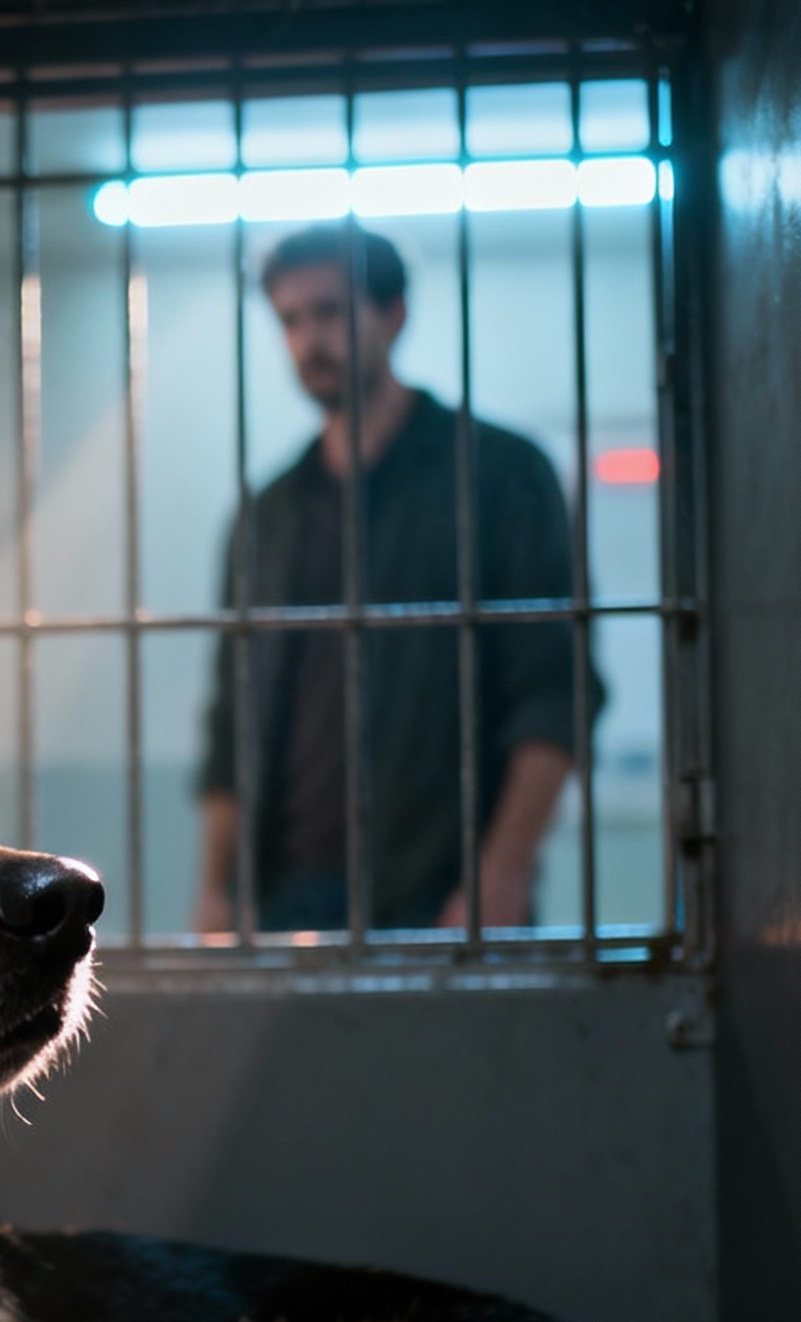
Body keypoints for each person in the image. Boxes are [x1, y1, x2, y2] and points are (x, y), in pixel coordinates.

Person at [195, 225, 589, 935]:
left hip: (442, 886)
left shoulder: (497, 476)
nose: (309, 339)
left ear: (393, 314)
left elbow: (553, 692)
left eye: (330, 312)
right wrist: (216, 889)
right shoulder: (270, 513)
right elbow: (232, 718)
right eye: (290, 320)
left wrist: (500, 874)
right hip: (287, 892)